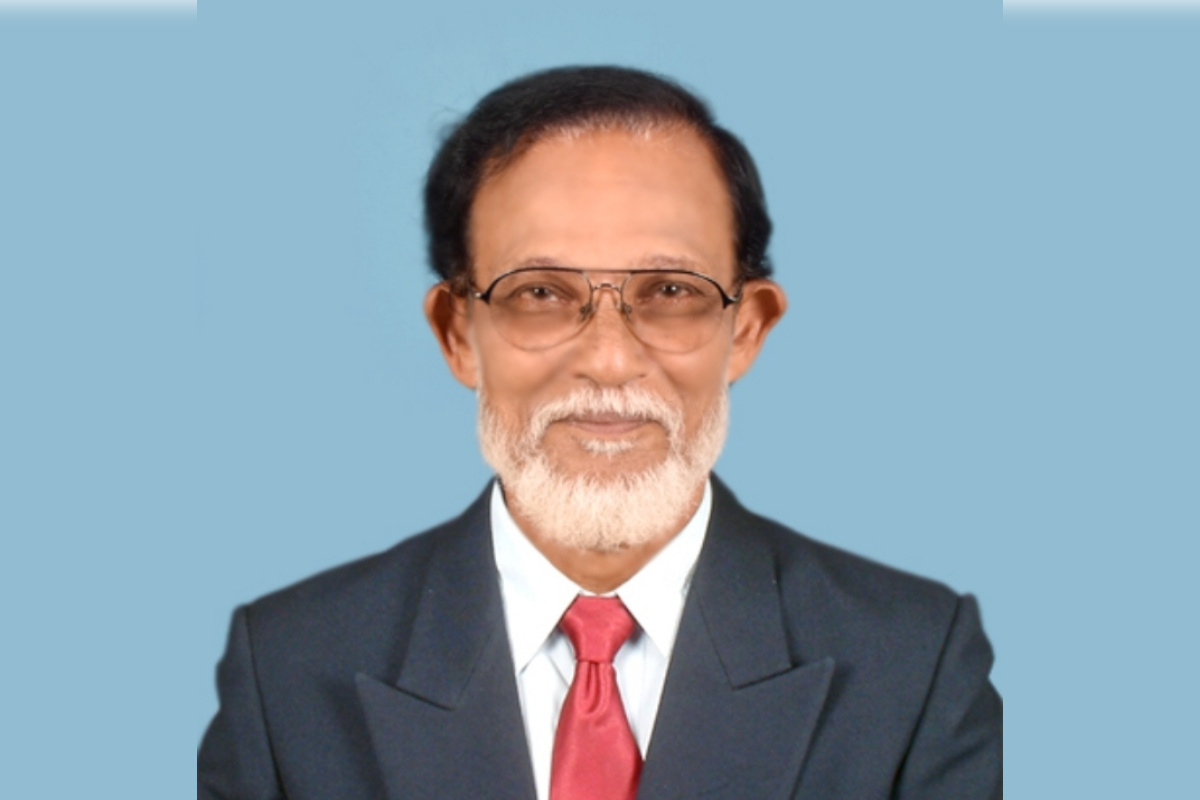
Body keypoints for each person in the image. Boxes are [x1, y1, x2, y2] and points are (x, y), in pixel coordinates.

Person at [198, 65, 1003, 800]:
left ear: (748, 328)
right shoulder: (287, 668)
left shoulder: (917, 665)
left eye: (671, 291)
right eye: (540, 293)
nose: (610, 361)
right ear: (456, 333)